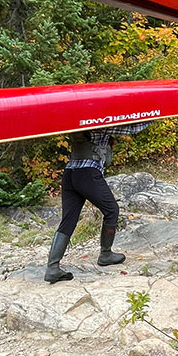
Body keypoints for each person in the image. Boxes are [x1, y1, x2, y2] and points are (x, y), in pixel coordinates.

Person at [44, 121, 151, 284]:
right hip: (87, 174)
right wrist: (158, 113)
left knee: (68, 220)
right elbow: (132, 127)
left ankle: (52, 267)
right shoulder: (99, 123)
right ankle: (106, 254)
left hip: (70, 174)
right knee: (112, 210)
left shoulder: (75, 122)